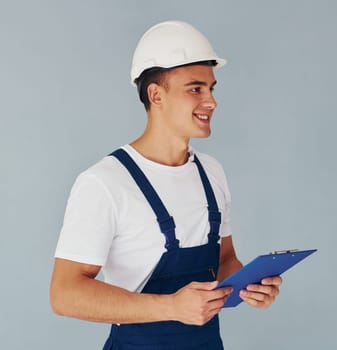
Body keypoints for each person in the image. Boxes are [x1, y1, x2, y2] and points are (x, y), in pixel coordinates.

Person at [50, 20, 282, 349]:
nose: (211, 101)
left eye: (212, 88)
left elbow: (226, 259)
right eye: (195, 88)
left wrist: (249, 285)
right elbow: (65, 294)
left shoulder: (211, 173)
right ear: (155, 94)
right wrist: (171, 306)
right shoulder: (104, 183)